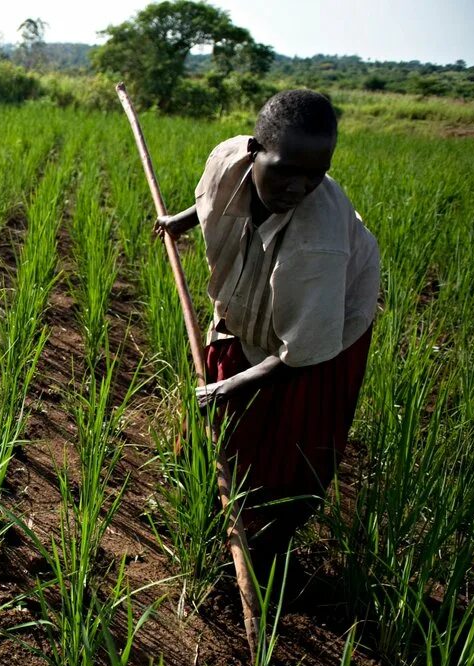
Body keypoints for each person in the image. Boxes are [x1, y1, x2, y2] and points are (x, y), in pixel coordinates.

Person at [153, 89, 380, 569]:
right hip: (250, 305)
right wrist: (180, 221)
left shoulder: (317, 244)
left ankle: (271, 546)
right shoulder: (229, 161)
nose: (298, 187)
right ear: (255, 151)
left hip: (324, 332)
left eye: (314, 176)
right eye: (285, 171)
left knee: (295, 446)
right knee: (226, 426)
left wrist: (229, 385)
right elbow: (218, 201)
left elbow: (302, 351)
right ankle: (215, 508)